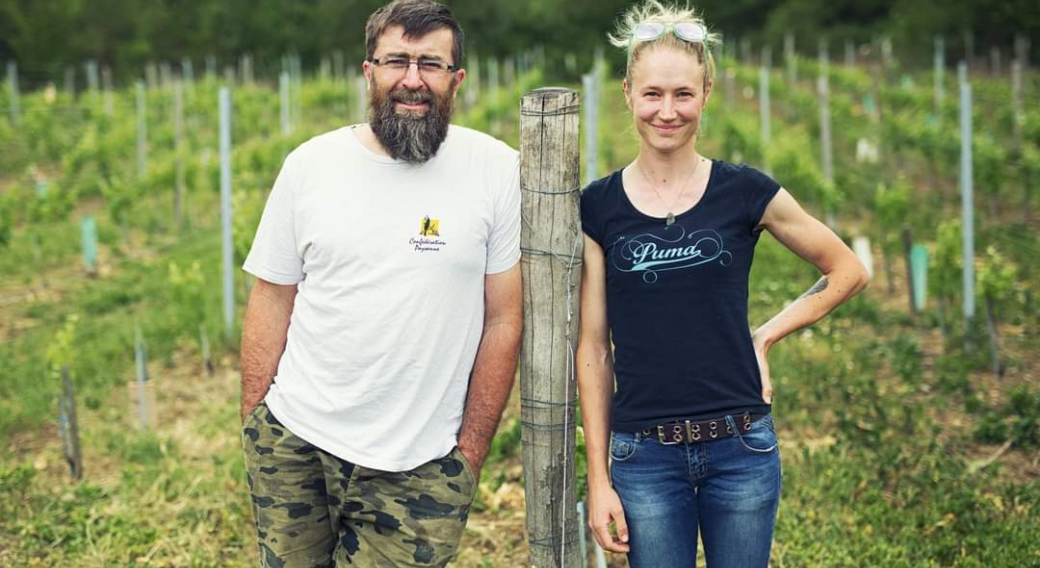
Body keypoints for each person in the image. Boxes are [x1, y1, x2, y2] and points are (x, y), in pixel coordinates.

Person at [576, 2, 870, 567]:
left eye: (683, 94)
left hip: (741, 446)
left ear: (706, 93)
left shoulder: (744, 191)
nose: (668, 111)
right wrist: (599, 477)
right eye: (653, 94)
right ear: (627, 95)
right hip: (644, 456)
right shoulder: (599, 207)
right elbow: (592, 347)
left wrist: (764, 337)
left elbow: (847, 270)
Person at [238, 1, 523, 566]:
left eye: (430, 64)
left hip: (422, 465)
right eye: (397, 61)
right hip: (295, 446)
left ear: (456, 79)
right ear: (369, 71)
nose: (412, 80)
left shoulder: (496, 170)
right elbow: (272, 296)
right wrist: (255, 424)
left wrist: (468, 455)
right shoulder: (310, 166)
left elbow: (504, 320)